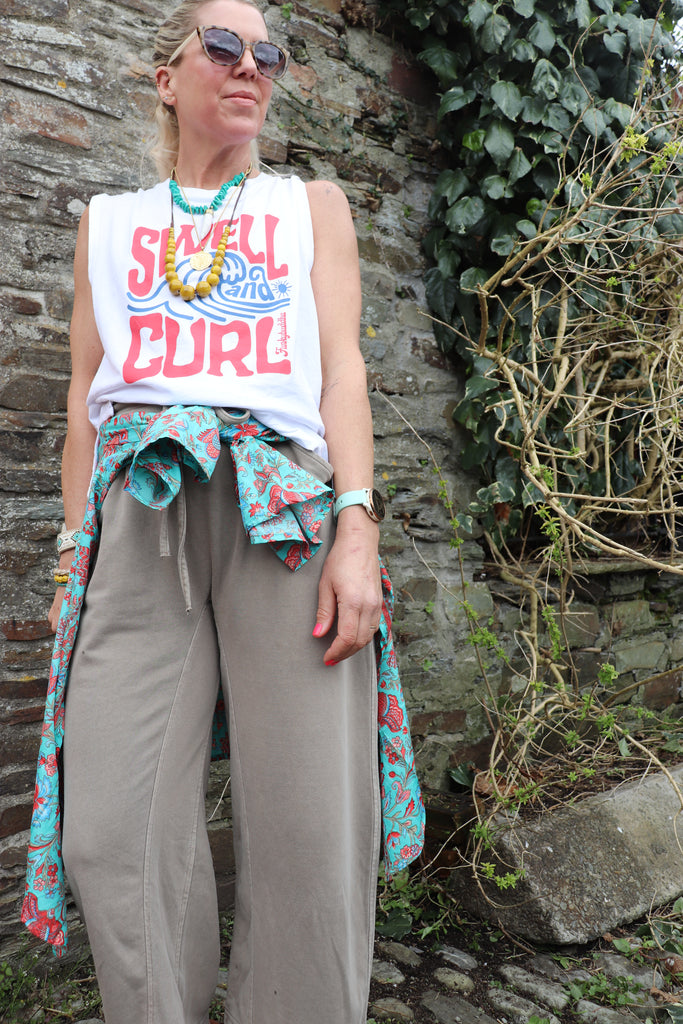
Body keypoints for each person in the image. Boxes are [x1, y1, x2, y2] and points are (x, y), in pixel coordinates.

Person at [21, 2, 424, 1022]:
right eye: (223, 46)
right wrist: (73, 551)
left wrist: (357, 527)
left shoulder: (309, 206)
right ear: (166, 77)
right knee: (107, 833)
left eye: (268, 53)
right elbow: (83, 400)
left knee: (308, 830)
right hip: (139, 514)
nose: (251, 66)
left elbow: (341, 373)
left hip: (283, 510)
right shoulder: (109, 223)